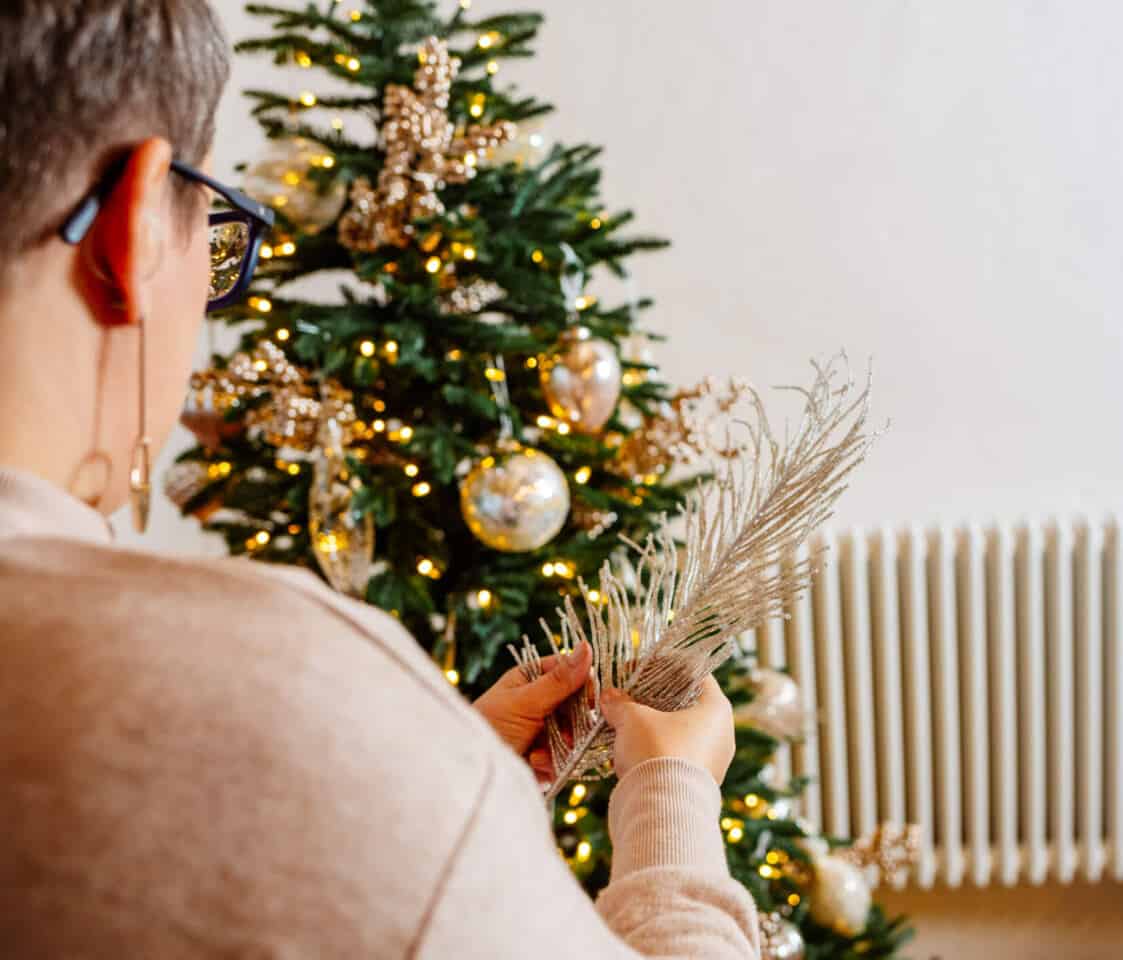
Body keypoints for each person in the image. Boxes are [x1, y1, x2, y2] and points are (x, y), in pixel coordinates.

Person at [0, 2, 760, 956]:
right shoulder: (286, 683)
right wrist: (673, 797)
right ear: (135, 226)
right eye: (215, 230)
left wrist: (436, 778)